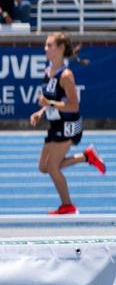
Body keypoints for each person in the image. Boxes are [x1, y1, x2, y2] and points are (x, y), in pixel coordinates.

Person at [30, 32, 106, 215]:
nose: (45, 49)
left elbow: (73, 105)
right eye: (45, 45)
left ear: (61, 49)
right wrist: (40, 112)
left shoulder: (66, 75)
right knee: (43, 167)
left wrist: (50, 104)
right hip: (55, 123)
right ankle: (86, 156)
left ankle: (68, 205)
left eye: (50, 45)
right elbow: (50, 99)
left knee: (52, 167)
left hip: (69, 124)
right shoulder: (48, 71)